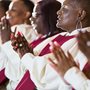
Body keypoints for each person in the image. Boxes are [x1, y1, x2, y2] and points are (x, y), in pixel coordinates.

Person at [48, 0, 90, 89]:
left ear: (81, 14)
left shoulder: (84, 41)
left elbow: (49, 75)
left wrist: (70, 73)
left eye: (65, 9)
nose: (58, 12)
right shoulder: (64, 36)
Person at [0, 0, 38, 90]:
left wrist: (6, 42)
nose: (7, 12)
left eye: (13, 10)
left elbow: (18, 68)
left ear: (26, 14)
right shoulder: (9, 30)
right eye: (8, 9)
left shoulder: (20, 29)